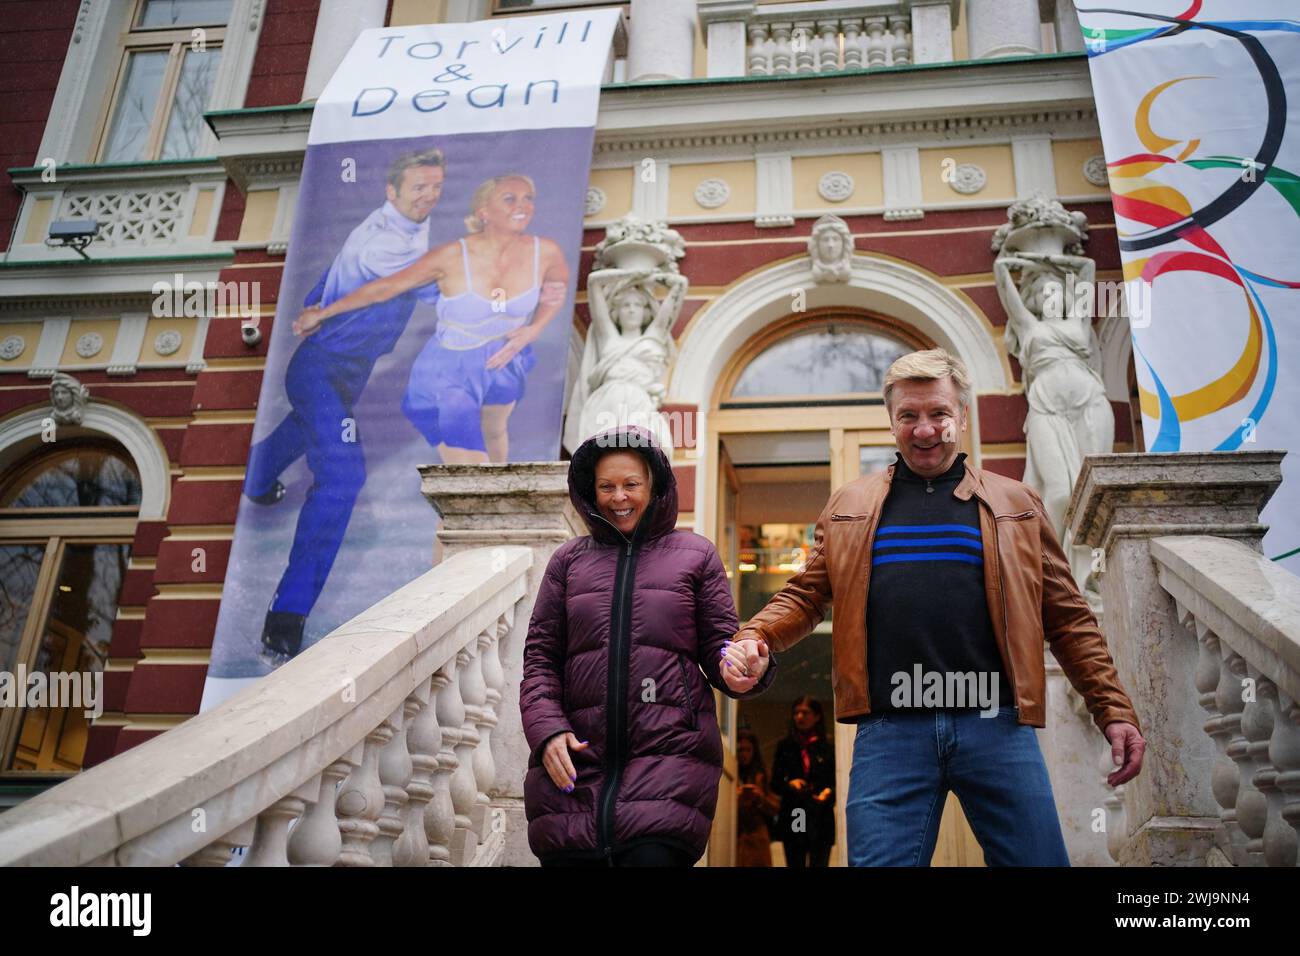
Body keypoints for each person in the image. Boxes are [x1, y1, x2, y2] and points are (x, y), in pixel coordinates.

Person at [733, 348, 1145, 866]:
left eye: (938, 414)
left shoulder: (1016, 504)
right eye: (909, 416)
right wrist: (758, 635)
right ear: (892, 421)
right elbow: (807, 594)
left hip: (997, 725)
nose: (924, 429)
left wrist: (1112, 707)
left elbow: (1068, 618)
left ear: (962, 417)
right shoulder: (850, 506)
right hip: (890, 733)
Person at [520, 424, 776, 866]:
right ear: (590, 491)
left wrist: (747, 669)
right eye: (607, 486)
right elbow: (541, 658)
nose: (619, 498)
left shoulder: (695, 555)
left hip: (669, 770)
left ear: (654, 486)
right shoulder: (568, 561)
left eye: (631, 484)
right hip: (575, 773)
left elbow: (722, 649)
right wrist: (546, 731)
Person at [244, 148, 448, 663]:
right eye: (417, 187)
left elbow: (342, 275)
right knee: (342, 475)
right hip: (318, 370)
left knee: (305, 430)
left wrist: (317, 304)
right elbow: (419, 286)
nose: (428, 196)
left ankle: (257, 478)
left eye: (435, 186)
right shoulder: (386, 244)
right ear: (391, 192)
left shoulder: (400, 227)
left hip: (341, 371)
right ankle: (286, 616)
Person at [297, 173, 568, 464]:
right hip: (451, 368)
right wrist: (324, 312)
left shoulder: (546, 251)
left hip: (504, 357)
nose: (523, 205)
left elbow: (556, 291)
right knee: (470, 468)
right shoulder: (450, 256)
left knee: (494, 430)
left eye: (528, 198)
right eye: (510, 198)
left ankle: (505, 505)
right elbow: (385, 288)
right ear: (484, 212)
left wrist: (534, 329)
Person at [770, 697, 835, 867]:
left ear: (817, 716)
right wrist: (790, 784)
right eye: (796, 713)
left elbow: (836, 783)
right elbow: (775, 784)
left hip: (820, 815)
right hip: (794, 813)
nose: (799, 717)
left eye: (805, 713)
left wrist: (828, 793)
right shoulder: (785, 746)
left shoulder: (827, 747)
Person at [735, 728, 780, 868]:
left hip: (757, 835)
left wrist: (760, 798)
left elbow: (776, 808)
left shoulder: (762, 774)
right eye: (740, 750)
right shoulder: (729, 775)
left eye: (748, 750)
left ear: (754, 751)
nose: (744, 754)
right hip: (734, 834)